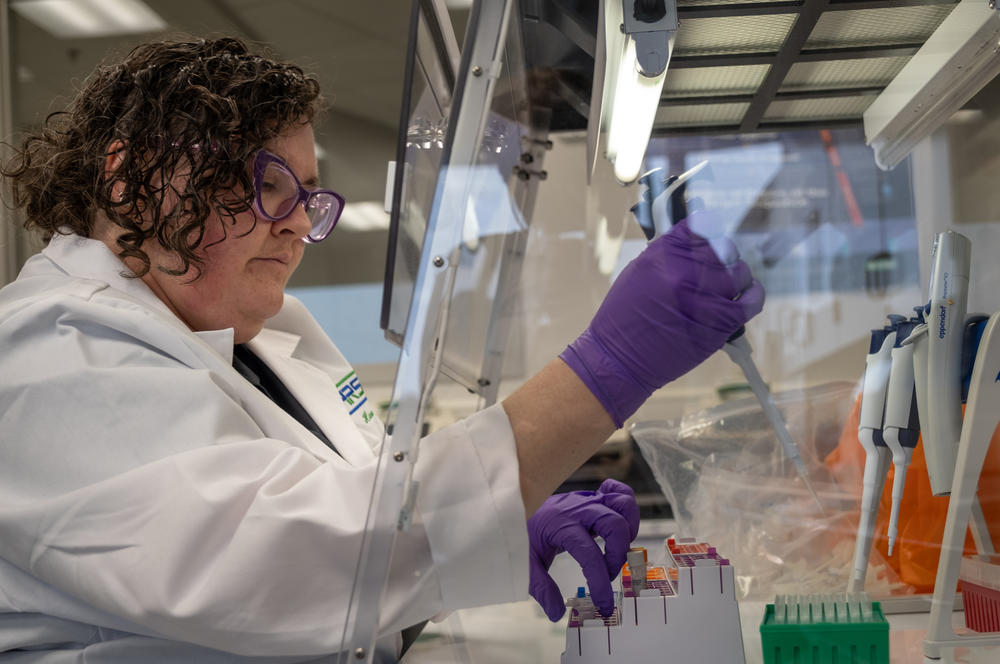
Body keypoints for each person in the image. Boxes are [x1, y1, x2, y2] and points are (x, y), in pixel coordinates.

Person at [0, 38, 763, 662]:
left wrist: (502, 519)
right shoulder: (50, 354)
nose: (298, 224)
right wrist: (607, 368)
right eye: (268, 183)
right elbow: (287, 564)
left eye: (309, 198)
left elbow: (372, 505)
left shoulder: (275, 337)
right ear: (132, 179)